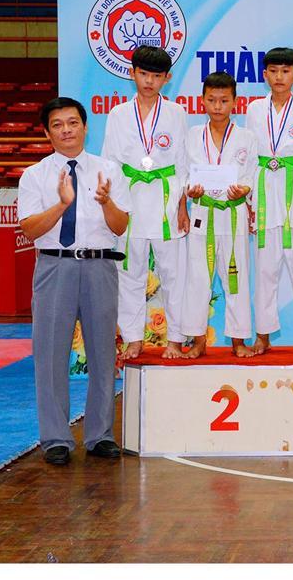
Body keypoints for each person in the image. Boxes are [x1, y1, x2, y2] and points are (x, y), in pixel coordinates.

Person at [18, 97, 130, 464]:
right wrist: (62, 205)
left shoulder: (108, 170)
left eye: (72, 122)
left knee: (102, 353)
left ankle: (100, 435)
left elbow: (120, 226)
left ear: (85, 126)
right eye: (57, 124)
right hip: (55, 267)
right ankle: (56, 438)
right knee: (50, 355)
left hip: (99, 266)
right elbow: (30, 229)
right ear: (47, 132)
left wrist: (106, 202)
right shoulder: (35, 175)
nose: (66, 130)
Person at [102, 45, 190, 361]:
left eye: (156, 76)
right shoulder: (118, 114)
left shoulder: (177, 113)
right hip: (131, 200)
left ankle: (175, 339)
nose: (149, 81)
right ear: (132, 74)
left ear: (167, 78)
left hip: (167, 201)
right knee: (130, 273)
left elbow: (183, 163)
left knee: (173, 275)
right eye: (143, 74)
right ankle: (133, 338)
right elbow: (111, 162)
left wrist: (182, 206)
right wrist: (115, 208)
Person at [245, 47, 293, 354]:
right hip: (264, 195)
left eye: (286, 71)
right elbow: (249, 156)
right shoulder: (254, 109)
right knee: (265, 272)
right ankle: (263, 334)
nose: (279, 77)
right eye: (274, 71)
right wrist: (249, 199)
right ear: (265, 74)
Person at [180, 72, 258, 358]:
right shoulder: (192, 136)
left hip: (233, 214)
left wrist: (244, 189)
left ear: (235, 102)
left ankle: (238, 340)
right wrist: (190, 190)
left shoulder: (247, 137)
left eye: (224, 100)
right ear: (202, 101)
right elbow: (183, 173)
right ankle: (198, 339)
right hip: (203, 212)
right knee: (198, 279)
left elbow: (251, 174)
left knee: (236, 277)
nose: (217, 106)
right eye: (211, 100)